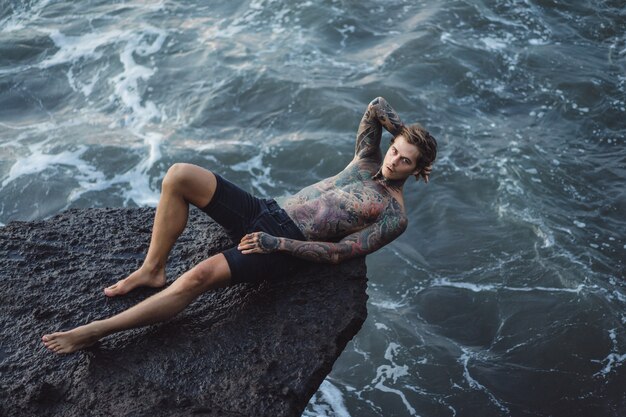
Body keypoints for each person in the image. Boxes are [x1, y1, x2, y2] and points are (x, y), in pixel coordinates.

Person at [42, 97, 437, 354]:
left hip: (283, 245)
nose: (394, 161)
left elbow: (338, 253)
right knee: (180, 175)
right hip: (262, 209)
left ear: (420, 171)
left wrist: (276, 245)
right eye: (396, 150)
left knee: (198, 277)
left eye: (405, 161)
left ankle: (96, 331)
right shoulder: (369, 158)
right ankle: (152, 268)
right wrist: (402, 131)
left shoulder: (392, 215)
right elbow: (376, 106)